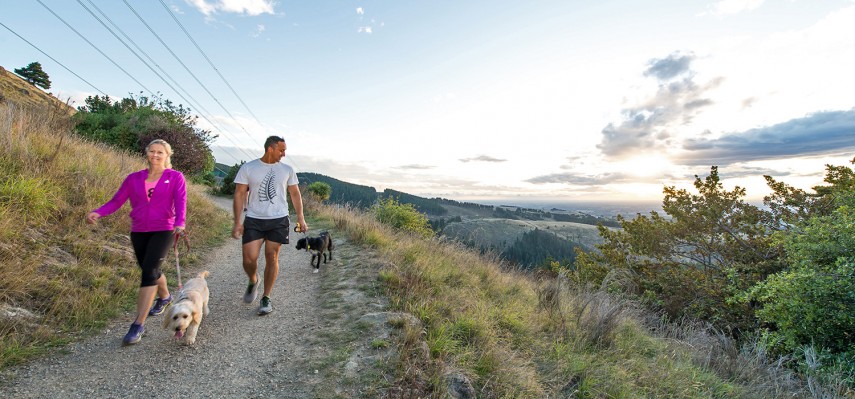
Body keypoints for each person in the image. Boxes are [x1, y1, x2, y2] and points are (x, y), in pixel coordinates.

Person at [86, 139, 187, 345]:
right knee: (150, 268)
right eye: (152, 151)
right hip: (139, 230)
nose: (155, 155)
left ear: (168, 155)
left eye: (160, 152)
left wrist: (180, 223)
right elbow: (117, 201)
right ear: (147, 153)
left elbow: (180, 200)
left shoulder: (175, 177)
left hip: (164, 229)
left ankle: (138, 325)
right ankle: (165, 296)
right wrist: (99, 212)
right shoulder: (134, 179)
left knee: (148, 273)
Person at [232, 135, 307, 315]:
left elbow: (295, 194)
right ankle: (253, 280)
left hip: (279, 219)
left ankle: (266, 297)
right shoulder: (249, 168)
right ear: (270, 149)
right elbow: (239, 194)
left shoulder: (287, 170)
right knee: (249, 258)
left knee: (271, 256)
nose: (284, 154)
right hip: (254, 219)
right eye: (281, 150)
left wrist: (300, 218)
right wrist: (237, 222)